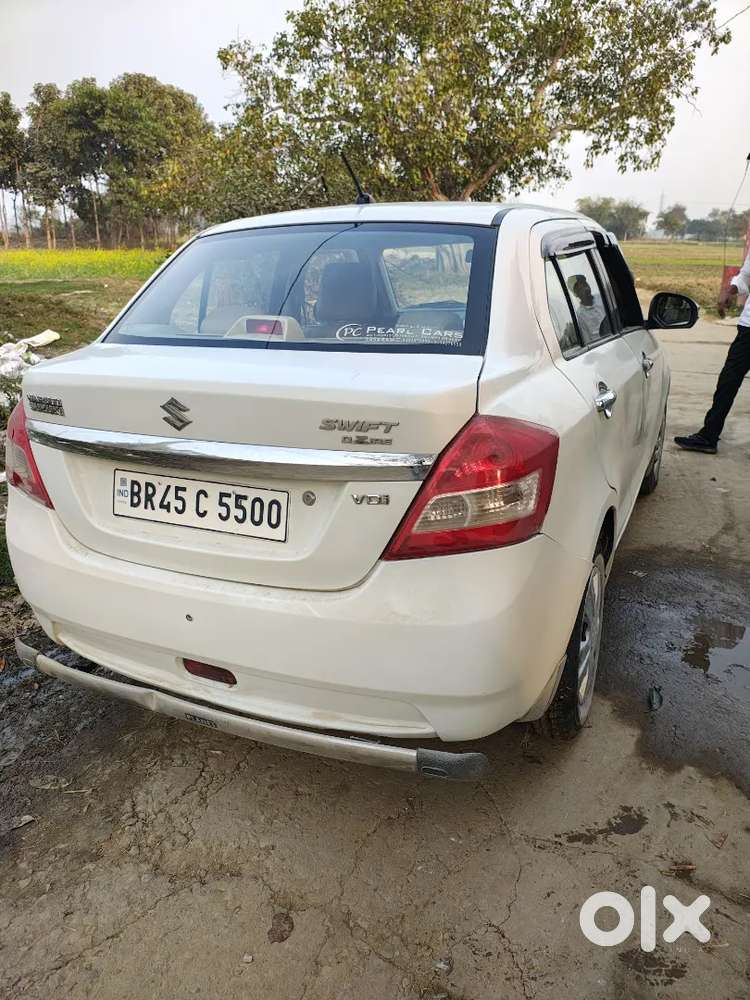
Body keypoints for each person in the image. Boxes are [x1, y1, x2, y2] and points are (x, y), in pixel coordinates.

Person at [674, 249, 750, 454]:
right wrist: (729, 290)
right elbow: (746, 275)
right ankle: (709, 436)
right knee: (728, 381)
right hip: (748, 328)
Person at [567, 274, 608, 342]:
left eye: (585, 284)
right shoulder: (580, 316)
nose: (585, 288)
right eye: (580, 288)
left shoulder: (602, 298)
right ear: (576, 294)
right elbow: (587, 341)